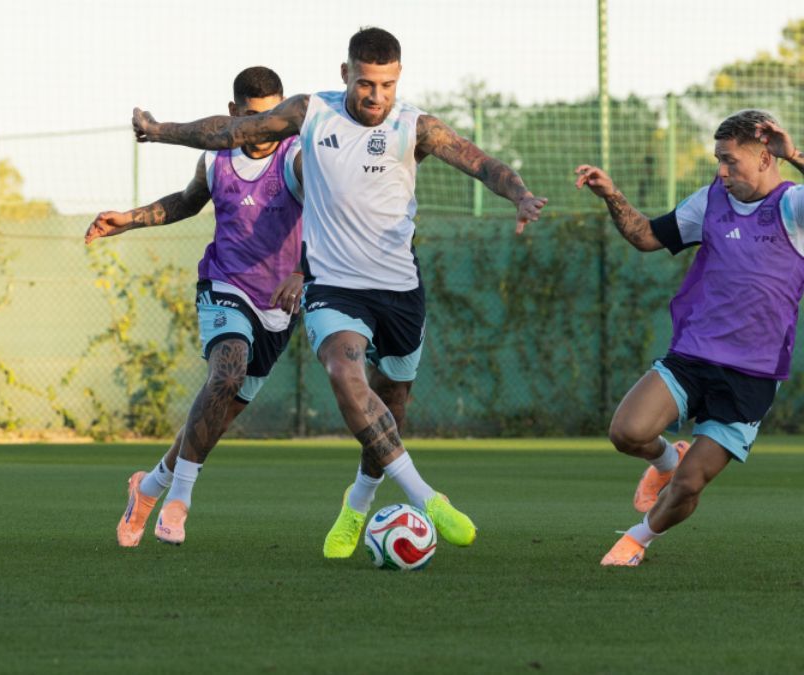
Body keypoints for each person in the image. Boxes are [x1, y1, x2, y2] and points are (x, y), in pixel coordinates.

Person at [131, 27, 547, 556]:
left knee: (391, 407)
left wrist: (520, 194)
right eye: (367, 83)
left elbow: (480, 162)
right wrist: (160, 130)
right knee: (344, 373)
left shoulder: (414, 125)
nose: (377, 96)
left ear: (399, 80)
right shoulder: (311, 113)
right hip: (333, 288)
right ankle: (428, 498)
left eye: (388, 85)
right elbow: (233, 130)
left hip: (399, 289)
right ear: (346, 73)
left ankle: (357, 503)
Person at [88, 66, 304, 547]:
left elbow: (329, 216)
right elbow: (187, 202)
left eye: (274, 119)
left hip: (280, 304)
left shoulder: (299, 156)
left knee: (215, 419)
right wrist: (131, 219)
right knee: (226, 372)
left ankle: (146, 489)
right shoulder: (217, 159)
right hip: (224, 284)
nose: (264, 131)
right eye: (252, 119)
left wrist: (303, 270)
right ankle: (179, 500)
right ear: (233, 115)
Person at [577, 110, 804, 567]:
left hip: (751, 376)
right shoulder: (709, 201)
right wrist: (612, 194)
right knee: (626, 432)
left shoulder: (792, 206)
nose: (721, 170)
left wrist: (796, 154)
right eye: (717, 160)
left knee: (691, 485)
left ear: (765, 157)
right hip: (693, 355)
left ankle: (637, 540)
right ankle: (666, 459)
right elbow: (645, 236)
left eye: (730, 161)